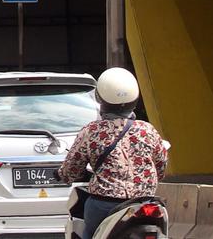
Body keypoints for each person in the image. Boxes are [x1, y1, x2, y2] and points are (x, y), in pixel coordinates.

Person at [59, 68, 168, 239]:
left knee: (88, 231)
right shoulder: (148, 130)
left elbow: (71, 169)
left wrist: (62, 176)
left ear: (100, 99)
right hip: (146, 202)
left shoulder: (92, 131)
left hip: (105, 205)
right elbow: (161, 166)